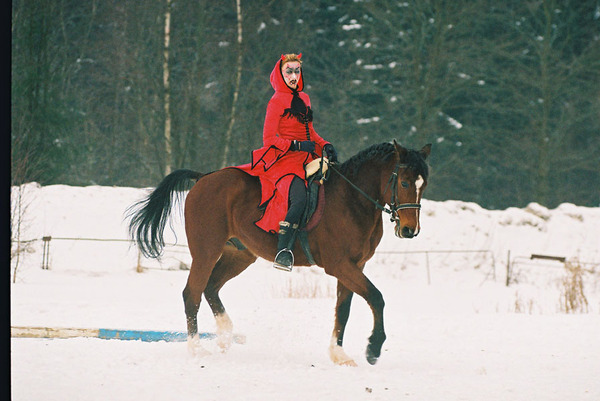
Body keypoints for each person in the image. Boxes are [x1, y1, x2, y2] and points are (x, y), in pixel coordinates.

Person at [235, 53, 338, 271]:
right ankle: (283, 251)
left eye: (296, 71)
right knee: (299, 198)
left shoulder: (305, 98)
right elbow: (269, 139)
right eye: (288, 71)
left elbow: (310, 132)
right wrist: (296, 146)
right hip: (283, 161)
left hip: (307, 159)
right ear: (281, 74)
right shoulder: (276, 101)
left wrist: (325, 145)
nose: (293, 75)